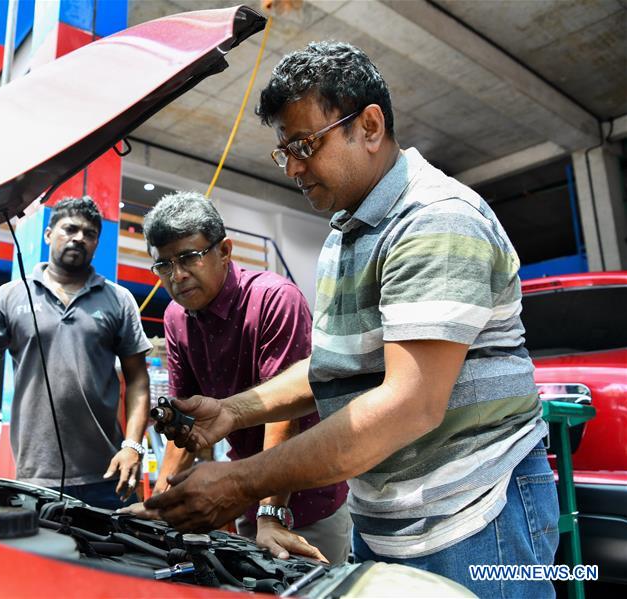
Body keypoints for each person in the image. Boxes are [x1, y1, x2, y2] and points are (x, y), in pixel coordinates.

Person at [144, 42, 557, 596]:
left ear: (368, 125)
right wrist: (231, 413)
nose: (292, 166)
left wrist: (242, 481)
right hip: (389, 519)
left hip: (477, 517)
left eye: (304, 144)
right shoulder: (347, 232)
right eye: (283, 150)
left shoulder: (436, 221)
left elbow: (406, 406)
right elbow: (335, 366)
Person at [122, 191, 350, 564]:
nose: (177, 275)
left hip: (305, 502)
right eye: (163, 265)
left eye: (189, 257)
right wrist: (160, 504)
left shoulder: (275, 299)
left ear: (224, 251)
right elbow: (185, 423)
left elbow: (283, 414)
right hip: (246, 498)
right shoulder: (176, 319)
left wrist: (271, 514)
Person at [0, 197, 152, 510]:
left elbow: (138, 377)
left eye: (89, 234)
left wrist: (133, 446)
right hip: (35, 476)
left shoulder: (118, 299)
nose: (79, 238)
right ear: (48, 234)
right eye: (69, 228)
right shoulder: (12, 296)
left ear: (97, 243)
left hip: (107, 474)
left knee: (111, 559)